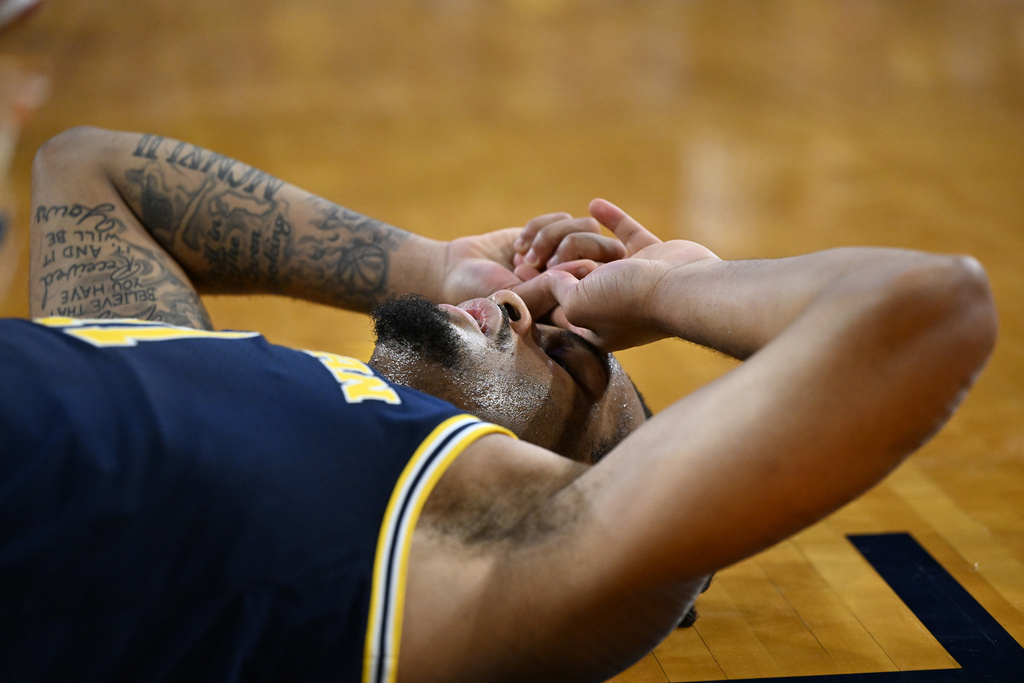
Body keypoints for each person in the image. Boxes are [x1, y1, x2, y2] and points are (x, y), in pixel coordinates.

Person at [1, 126, 997, 682]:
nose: (532, 309)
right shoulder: (195, 369)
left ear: (587, 485)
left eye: (567, 355)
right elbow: (89, 169)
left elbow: (926, 307)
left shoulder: (506, 550)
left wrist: (669, 288)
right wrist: (449, 265)